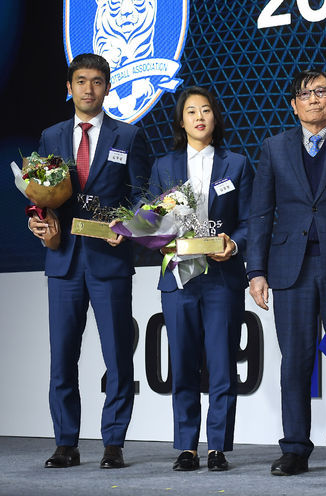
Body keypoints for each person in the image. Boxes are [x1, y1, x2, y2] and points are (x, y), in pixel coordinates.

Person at [247, 69, 326, 476]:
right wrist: (257, 270)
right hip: (290, 268)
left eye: (321, 92)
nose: (314, 99)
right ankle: (295, 448)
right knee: (295, 361)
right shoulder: (274, 147)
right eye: (305, 94)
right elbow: (261, 212)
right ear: (293, 104)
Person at [28, 53, 150, 469]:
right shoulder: (51, 136)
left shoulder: (128, 137)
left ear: (108, 87)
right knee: (63, 355)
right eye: (81, 81)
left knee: (118, 355)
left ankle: (113, 441)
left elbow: (144, 197)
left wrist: (130, 225)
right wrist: (40, 224)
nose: (88, 89)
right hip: (63, 261)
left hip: (109, 260)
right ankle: (66, 442)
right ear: (69, 87)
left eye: (97, 81)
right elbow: (40, 198)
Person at [147, 86, 253, 472]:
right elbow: (152, 219)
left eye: (206, 110)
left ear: (215, 118)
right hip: (179, 277)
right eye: (191, 111)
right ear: (181, 121)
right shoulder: (164, 166)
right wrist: (155, 241)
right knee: (184, 361)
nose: (199, 117)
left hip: (222, 276)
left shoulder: (237, 164)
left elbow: (249, 222)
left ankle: (218, 446)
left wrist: (234, 244)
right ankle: (187, 446)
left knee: (223, 362)